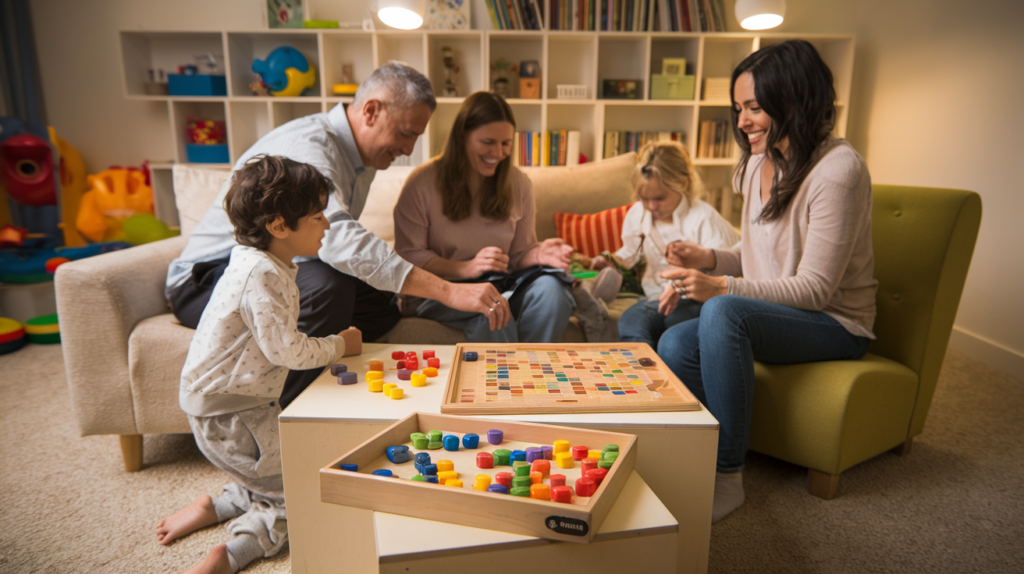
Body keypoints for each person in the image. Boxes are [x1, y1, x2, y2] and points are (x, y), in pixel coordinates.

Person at [166, 62, 512, 409]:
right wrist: (449, 291)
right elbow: (339, 242)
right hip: (211, 279)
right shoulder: (311, 149)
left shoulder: (362, 158)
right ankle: (289, 414)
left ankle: (345, 386)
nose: (409, 150)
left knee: (382, 307)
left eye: (416, 138)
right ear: (371, 111)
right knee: (333, 286)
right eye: (406, 134)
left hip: (282, 266)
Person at [655, 40, 877, 523]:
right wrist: (710, 259)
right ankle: (724, 441)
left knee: (720, 310)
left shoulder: (838, 171)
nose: (741, 121)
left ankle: (727, 476)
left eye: (754, 107)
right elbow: (758, 258)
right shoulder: (757, 162)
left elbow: (814, 288)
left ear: (795, 100)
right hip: (779, 315)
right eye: (738, 108)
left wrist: (720, 289)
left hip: (834, 322)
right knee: (673, 344)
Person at [157, 156, 363, 574]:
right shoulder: (262, 276)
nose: (326, 224)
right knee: (300, 495)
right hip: (234, 413)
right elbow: (287, 351)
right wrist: (339, 344)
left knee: (271, 471)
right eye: (317, 215)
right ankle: (232, 553)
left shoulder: (259, 261)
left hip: (233, 406)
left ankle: (214, 505)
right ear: (279, 226)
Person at [393, 91, 575, 342]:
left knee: (554, 292)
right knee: (493, 316)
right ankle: (512, 376)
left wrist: (539, 254)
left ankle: (529, 369)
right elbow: (408, 255)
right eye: (488, 142)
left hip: (501, 285)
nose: (498, 153)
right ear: (462, 137)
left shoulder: (519, 184)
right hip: (440, 291)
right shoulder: (423, 183)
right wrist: (465, 268)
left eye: (506, 143)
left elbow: (519, 255)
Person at [590, 141, 739, 347]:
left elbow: (727, 275)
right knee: (630, 322)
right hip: (655, 299)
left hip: (699, 301)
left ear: (683, 184)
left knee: (674, 325)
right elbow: (630, 251)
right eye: (644, 198)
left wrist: (681, 285)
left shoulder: (704, 218)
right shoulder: (638, 213)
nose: (651, 206)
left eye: (659, 198)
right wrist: (611, 261)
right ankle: (643, 372)